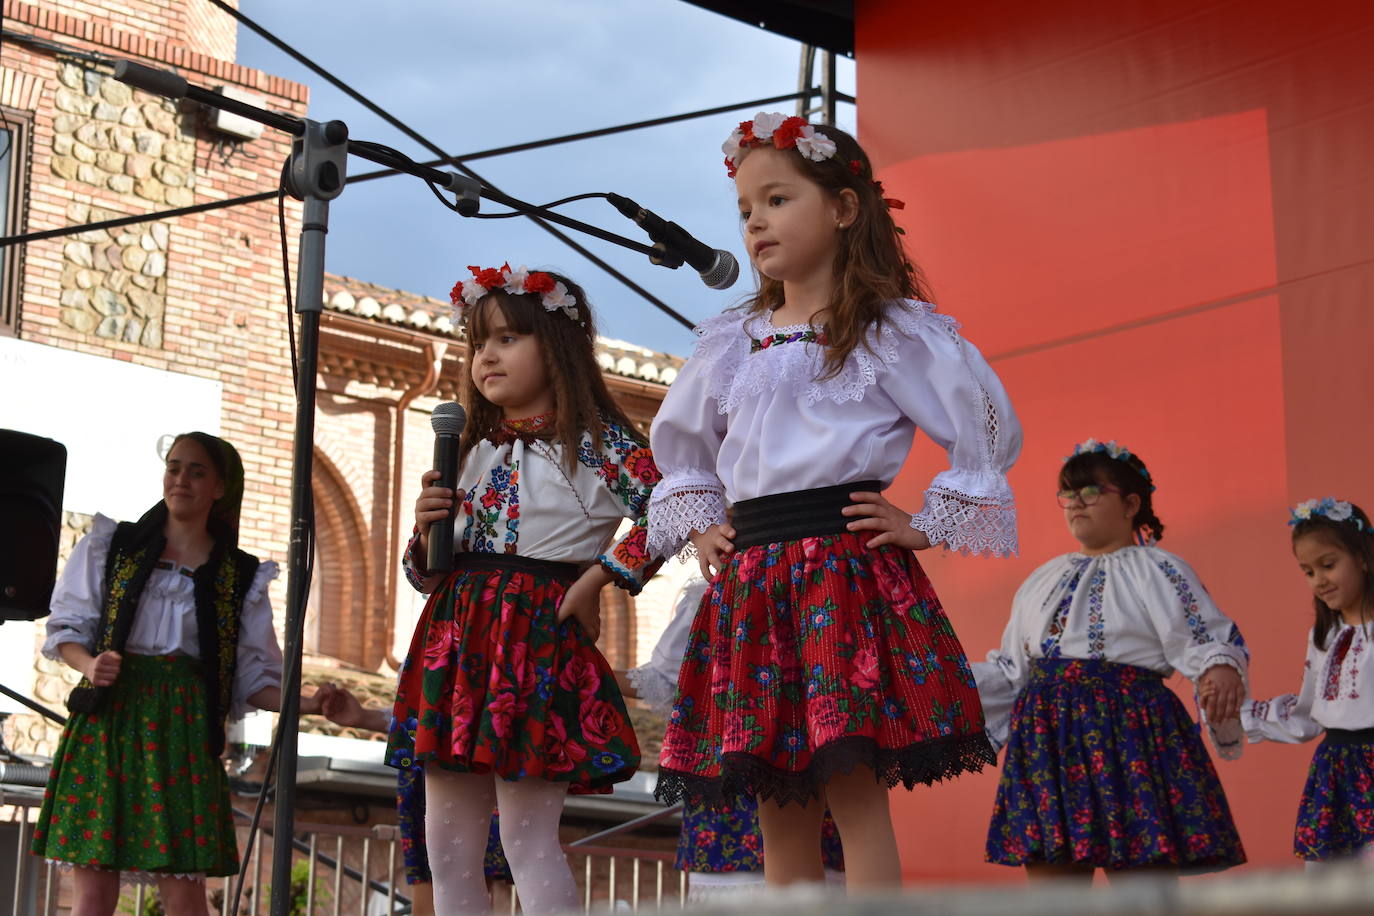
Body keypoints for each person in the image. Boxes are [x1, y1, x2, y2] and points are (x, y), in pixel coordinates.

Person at [646, 112, 1022, 890]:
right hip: (754, 581)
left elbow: (984, 422)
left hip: (838, 577)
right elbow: (683, 446)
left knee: (851, 792)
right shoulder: (732, 338)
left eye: (778, 200)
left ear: (845, 208)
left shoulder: (887, 330)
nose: (755, 222)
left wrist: (925, 523)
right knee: (778, 801)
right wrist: (705, 522)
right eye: (745, 209)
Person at [391, 265, 662, 914]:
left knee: (524, 836)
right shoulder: (473, 448)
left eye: (509, 338)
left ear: (558, 345)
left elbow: (675, 508)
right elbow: (425, 574)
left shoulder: (596, 441)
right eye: (479, 342)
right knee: (445, 842)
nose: (487, 354)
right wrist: (425, 533)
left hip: (533, 635)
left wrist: (603, 578)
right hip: (457, 638)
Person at [30, 432, 321, 916]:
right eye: (174, 466)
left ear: (220, 488)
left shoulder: (239, 575)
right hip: (109, 721)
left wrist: (306, 701)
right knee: (93, 894)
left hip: (183, 730)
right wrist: (89, 663)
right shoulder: (114, 546)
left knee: (186, 898)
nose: (181, 478)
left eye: (196, 471)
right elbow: (66, 627)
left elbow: (253, 676)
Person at [975, 439, 1248, 879]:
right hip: (1048, 736)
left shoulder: (1160, 569)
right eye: (1067, 494)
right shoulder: (1041, 579)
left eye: (1090, 492)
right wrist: (949, 684)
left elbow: (1200, 636)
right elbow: (1012, 669)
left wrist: (1218, 666)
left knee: (1140, 884)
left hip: (1128, 730)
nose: (1075, 504)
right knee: (1054, 882)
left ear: (1131, 503)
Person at [617, 575, 844, 902]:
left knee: (810, 887)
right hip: (733, 786)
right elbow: (666, 682)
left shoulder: (813, 576)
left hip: (792, 770)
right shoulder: (711, 593)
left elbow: (666, 683)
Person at [1240, 498, 1374, 866]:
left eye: (1328, 565)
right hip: (1335, 774)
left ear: (1363, 557)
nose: (1319, 580)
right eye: (1308, 571)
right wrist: (1241, 714)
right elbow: (1308, 715)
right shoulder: (1323, 636)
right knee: (1332, 888)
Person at [314, 685, 511, 915]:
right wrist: (365, 717)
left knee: (465, 879)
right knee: (436, 885)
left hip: (462, 754)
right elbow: (417, 713)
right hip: (425, 763)